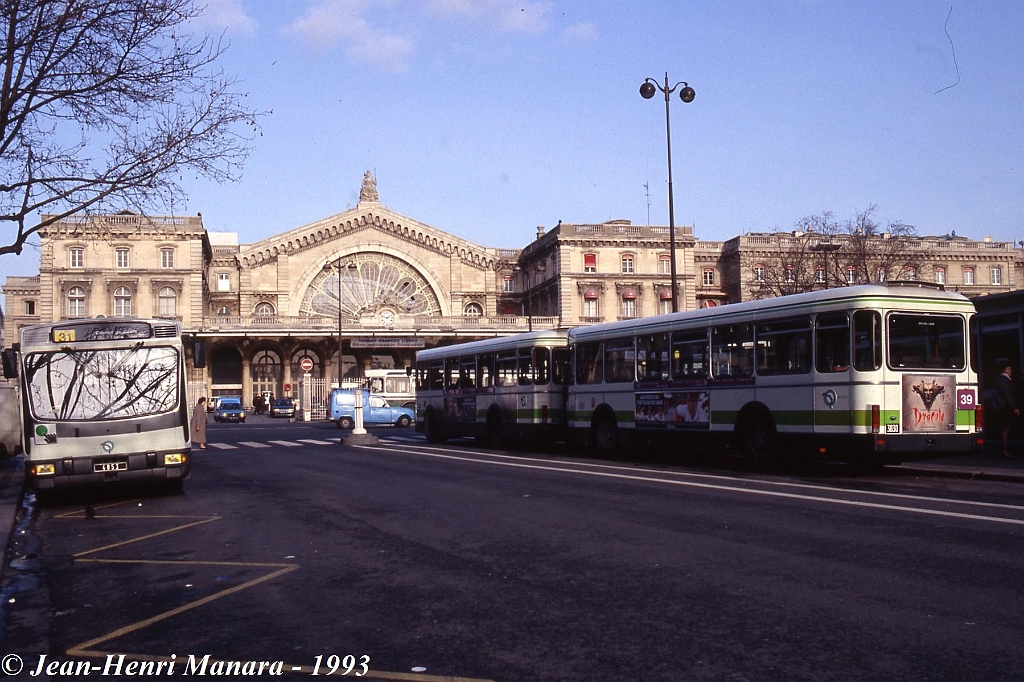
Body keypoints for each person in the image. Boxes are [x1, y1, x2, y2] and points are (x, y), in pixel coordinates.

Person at [996, 364, 1018, 459]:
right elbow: (1007, 395)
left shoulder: (1003, 379)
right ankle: (1004, 451)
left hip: (1003, 407)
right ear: (1004, 370)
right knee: (1005, 429)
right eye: (1008, 369)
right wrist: (1014, 407)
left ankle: (1004, 450)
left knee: (1006, 428)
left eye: (1010, 368)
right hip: (1005, 407)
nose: (1010, 371)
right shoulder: (1004, 380)